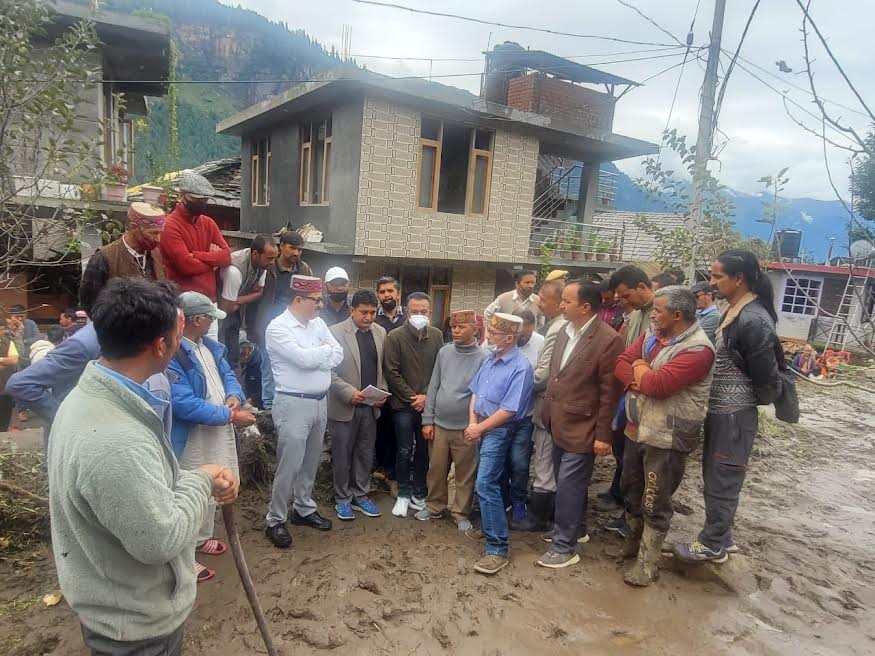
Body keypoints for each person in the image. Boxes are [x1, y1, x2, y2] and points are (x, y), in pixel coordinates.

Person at [48, 277, 238, 656]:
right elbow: (159, 540)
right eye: (177, 333)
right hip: (136, 628)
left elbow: (140, 486)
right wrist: (201, 480)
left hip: (117, 606)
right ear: (160, 344)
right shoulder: (116, 440)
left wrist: (191, 478)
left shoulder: (94, 399)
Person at [674, 250, 783, 563]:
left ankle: (712, 544)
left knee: (723, 477)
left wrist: (743, 398)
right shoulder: (736, 310)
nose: (711, 282)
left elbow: (767, 380)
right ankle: (723, 537)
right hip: (723, 410)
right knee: (717, 473)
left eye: (717, 276)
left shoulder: (753, 319)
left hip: (734, 414)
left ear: (739, 279)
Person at [613, 286, 715, 586]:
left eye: (658, 310)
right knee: (630, 487)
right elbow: (621, 363)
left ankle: (647, 564)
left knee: (655, 498)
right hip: (637, 427)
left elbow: (658, 387)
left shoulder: (698, 349)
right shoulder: (652, 334)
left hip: (667, 435)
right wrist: (641, 375)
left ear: (677, 315)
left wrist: (642, 371)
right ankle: (631, 545)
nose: (653, 315)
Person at [168, 291, 256, 582]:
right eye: (209, 318)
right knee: (191, 488)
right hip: (193, 436)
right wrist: (231, 416)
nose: (211, 324)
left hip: (218, 430)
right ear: (196, 320)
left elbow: (229, 376)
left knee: (215, 485)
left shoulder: (210, 347)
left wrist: (234, 396)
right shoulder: (174, 353)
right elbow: (184, 404)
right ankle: (183, 556)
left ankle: (201, 537)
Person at [537, 281, 624, 569]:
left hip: (583, 426)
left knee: (568, 486)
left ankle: (564, 546)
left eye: (566, 301)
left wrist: (603, 435)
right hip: (557, 420)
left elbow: (609, 393)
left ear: (585, 307)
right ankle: (577, 529)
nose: (561, 305)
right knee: (570, 484)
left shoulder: (608, 340)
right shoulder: (565, 330)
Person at [264, 275, 343, 548]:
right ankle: (276, 518)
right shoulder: (278, 328)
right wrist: (321, 353)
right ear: (298, 299)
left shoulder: (318, 323)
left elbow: (338, 354)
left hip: (320, 401)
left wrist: (317, 354)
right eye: (316, 300)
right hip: (293, 403)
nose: (321, 305)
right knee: (289, 465)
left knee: (311, 461)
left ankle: (303, 508)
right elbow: (302, 360)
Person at [466, 313, 533, 575]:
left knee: (485, 483)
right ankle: (489, 528)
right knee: (491, 481)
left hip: (499, 430)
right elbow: (476, 392)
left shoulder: (521, 367)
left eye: (494, 333)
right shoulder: (490, 359)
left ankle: (497, 548)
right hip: (482, 427)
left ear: (509, 338)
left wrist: (479, 428)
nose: (489, 336)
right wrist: (473, 423)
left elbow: (509, 409)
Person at [416, 310, 488, 531]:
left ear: (475, 330)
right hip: (439, 425)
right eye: (453, 327)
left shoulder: (484, 358)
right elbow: (434, 386)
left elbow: (482, 393)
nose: (455, 331)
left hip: (466, 427)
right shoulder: (444, 352)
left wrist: (476, 426)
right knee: (436, 470)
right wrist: (427, 420)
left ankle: (460, 512)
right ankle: (434, 506)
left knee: (465, 474)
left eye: (461, 327)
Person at [599, 266, 656, 531]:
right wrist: (635, 375)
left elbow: (655, 371)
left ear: (642, 287)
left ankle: (636, 520)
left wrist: (639, 374)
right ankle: (626, 509)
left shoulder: (659, 315)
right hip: (631, 394)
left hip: (650, 402)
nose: (622, 301)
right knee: (626, 456)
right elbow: (624, 359)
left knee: (643, 467)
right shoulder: (635, 315)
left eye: (625, 295)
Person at [328, 290, 387, 521]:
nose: (369, 317)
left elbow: (383, 367)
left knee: (364, 453)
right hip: (344, 405)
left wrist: (382, 391)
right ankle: (342, 498)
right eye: (364, 312)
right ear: (352, 310)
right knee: (342, 455)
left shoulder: (380, 332)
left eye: (373, 312)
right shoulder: (334, 333)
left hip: (370, 406)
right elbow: (327, 371)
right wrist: (348, 392)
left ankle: (360, 495)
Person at [512, 279, 565, 533]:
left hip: (545, 405)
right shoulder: (562, 326)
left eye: (543, 299)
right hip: (553, 406)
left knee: (543, 460)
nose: (539, 303)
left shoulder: (555, 330)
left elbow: (542, 375)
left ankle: (539, 518)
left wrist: (515, 388)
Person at [383, 292, 443, 517]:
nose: (419, 315)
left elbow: (439, 369)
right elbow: (392, 372)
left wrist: (426, 396)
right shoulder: (395, 337)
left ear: (430, 312)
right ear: (407, 312)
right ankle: (403, 493)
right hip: (403, 405)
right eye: (415, 311)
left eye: (423, 311)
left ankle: (419, 491)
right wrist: (413, 397)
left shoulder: (436, 336)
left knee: (424, 451)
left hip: (428, 405)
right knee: (404, 449)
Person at [254, 230, 313, 411]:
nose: (296, 253)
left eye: (299, 249)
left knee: (294, 365)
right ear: (281, 247)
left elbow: (311, 295)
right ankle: (269, 406)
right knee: (268, 365)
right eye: (292, 248)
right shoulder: (269, 266)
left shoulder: (303, 269)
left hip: (295, 326)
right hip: (269, 324)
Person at [159, 172, 231, 314]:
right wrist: (213, 260)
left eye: (205, 199)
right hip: (184, 304)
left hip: (210, 302)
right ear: (181, 196)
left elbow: (227, 257)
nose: (201, 203)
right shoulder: (170, 225)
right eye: (196, 198)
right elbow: (186, 266)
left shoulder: (209, 223)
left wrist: (197, 255)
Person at [79, 202, 167, 314]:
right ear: (134, 227)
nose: (158, 239)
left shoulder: (155, 254)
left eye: (160, 233)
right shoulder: (104, 257)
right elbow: (89, 302)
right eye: (153, 233)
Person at [504, 309, 543, 525]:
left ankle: (519, 499)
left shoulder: (541, 344)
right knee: (501, 460)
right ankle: (503, 499)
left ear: (532, 327)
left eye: (525, 334)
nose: (521, 338)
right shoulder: (501, 342)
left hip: (525, 416)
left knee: (519, 462)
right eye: (518, 334)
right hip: (500, 417)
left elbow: (544, 376)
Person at [218, 235, 278, 369]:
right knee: (221, 344)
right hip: (220, 309)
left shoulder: (263, 265)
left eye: (274, 258)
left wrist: (237, 301)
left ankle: (233, 370)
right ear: (255, 254)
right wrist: (235, 302)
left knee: (233, 345)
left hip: (235, 305)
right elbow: (227, 307)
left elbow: (259, 292)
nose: (272, 262)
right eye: (269, 258)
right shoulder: (234, 270)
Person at [373, 276, 404, 488]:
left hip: (403, 383)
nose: (386, 295)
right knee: (381, 427)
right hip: (380, 382)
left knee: (399, 430)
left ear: (398, 293)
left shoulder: (409, 318)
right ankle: (383, 468)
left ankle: (397, 474)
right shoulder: (373, 318)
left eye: (390, 291)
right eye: (382, 292)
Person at [0, 318, 21, 432]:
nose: (1, 332)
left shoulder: (8, 343)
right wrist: (5, 361)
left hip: (4, 387)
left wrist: (1, 359)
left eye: (2, 329)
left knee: (4, 421)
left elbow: (14, 360)